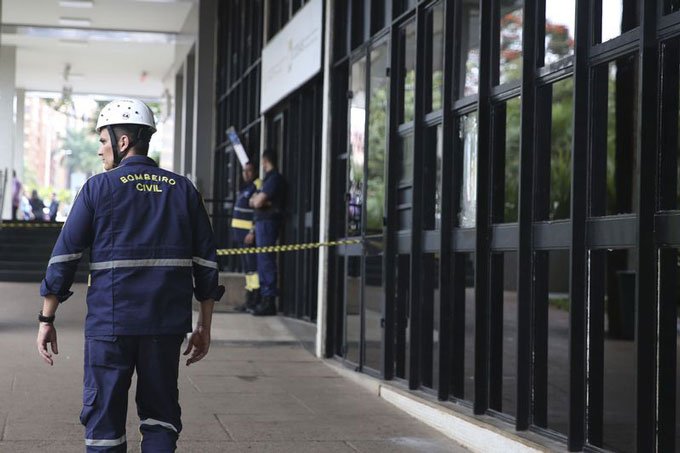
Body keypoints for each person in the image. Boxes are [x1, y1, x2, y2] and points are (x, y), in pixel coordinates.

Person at [36, 98, 224, 452]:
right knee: (161, 418)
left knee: (103, 422)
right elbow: (207, 263)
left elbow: (64, 257)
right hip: (165, 326)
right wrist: (205, 326)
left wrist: (47, 317)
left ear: (123, 142)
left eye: (103, 141)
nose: (99, 150)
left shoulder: (97, 188)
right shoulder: (182, 190)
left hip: (111, 325)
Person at [249, 149, 285, 316]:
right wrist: (258, 200)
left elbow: (257, 202)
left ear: (265, 161)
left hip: (268, 223)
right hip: (263, 223)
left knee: (266, 261)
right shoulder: (268, 180)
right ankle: (263, 297)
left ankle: (268, 300)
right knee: (262, 261)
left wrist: (259, 200)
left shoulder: (274, 179)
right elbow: (254, 201)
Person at [231, 161, 262, 313]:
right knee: (248, 270)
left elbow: (258, 212)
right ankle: (249, 299)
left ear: (255, 171)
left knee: (252, 269)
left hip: (248, 236)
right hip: (240, 236)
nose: (246, 174)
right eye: (244, 171)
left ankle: (254, 299)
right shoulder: (246, 188)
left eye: (249, 171)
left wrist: (253, 231)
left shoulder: (257, 185)